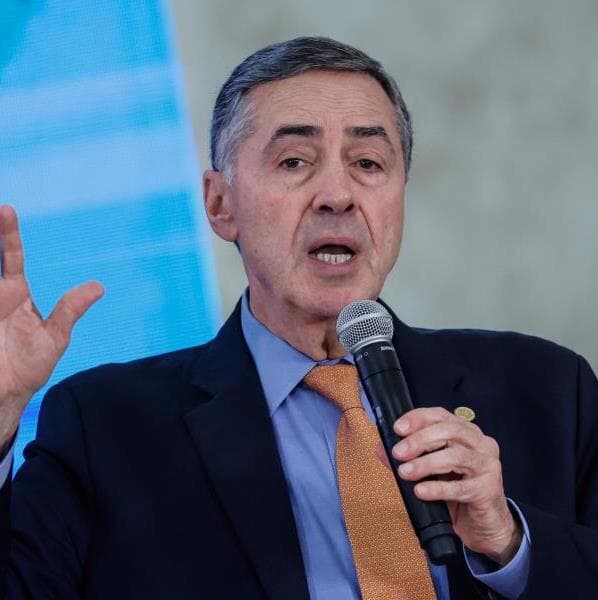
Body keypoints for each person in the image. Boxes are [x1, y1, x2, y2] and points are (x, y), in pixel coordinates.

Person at [0, 36, 596, 599]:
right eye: (293, 161)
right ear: (219, 203)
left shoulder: (548, 389)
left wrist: (509, 542)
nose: (338, 194)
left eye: (368, 163)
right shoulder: (105, 426)